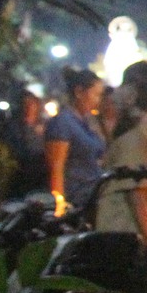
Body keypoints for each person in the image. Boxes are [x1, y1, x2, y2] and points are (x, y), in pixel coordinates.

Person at [96, 60, 147, 271]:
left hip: (137, 239)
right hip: (131, 240)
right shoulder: (137, 136)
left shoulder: (144, 132)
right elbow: (135, 193)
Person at [45, 67, 106, 214]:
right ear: (79, 92)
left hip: (92, 197)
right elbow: (56, 167)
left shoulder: (87, 123)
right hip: (76, 201)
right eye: (96, 95)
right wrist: (59, 205)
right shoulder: (62, 123)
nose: (98, 101)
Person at [0, 91, 49, 198]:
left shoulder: (44, 128)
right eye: (26, 104)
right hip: (18, 174)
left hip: (38, 175)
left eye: (32, 104)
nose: (29, 107)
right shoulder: (13, 127)